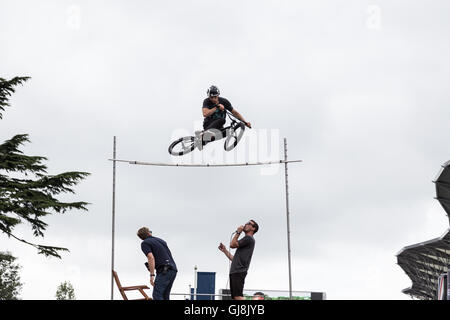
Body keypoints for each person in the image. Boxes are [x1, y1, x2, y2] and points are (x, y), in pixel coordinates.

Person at [218, 220, 259, 300]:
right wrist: (225, 251)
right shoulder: (246, 240)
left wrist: (238, 232)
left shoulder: (248, 238)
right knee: (235, 297)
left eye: (249, 223)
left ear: (253, 228)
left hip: (238, 271)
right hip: (236, 271)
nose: (246, 224)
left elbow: (232, 244)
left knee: (237, 296)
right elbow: (234, 259)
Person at [137, 227, 178, 300]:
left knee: (157, 295)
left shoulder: (145, 243)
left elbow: (150, 257)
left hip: (164, 270)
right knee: (165, 296)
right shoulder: (161, 241)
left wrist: (152, 275)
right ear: (149, 233)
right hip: (173, 269)